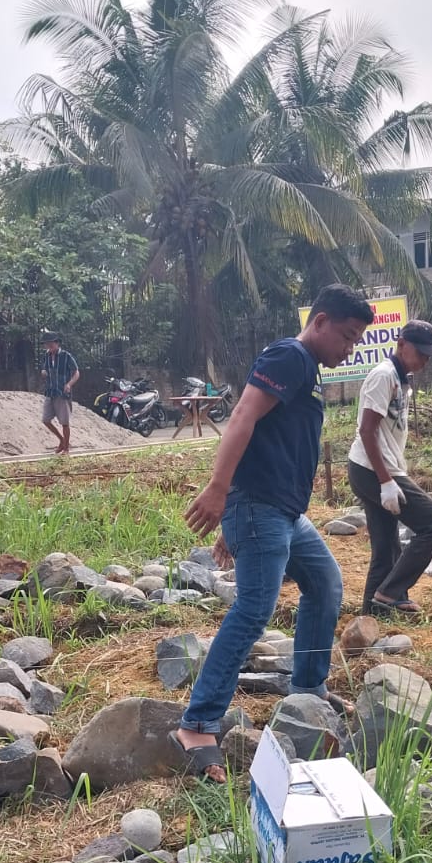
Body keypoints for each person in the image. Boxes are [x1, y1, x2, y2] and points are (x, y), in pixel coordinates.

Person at [171, 284, 376, 780]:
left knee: (325, 584)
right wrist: (222, 492)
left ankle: (308, 690)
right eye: (346, 337)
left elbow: (270, 437)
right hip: (260, 506)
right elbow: (242, 416)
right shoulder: (290, 356)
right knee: (255, 608)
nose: (349, 349)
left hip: (280, 512)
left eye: (355, 341)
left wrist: (236, 513)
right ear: (321, 321)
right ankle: (196, 724)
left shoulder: (305, 368)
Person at [346, 319, 432, 615]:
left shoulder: (401, 377)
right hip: (372, 469)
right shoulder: (383, 376)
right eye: (420, 353)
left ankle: (370, 617)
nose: (424, 361)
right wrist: (386, 481)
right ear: (401, 344)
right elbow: (367, 431)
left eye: (429, 356)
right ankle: (392, 592)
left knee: (386, 550)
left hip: (378, 469)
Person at [39, 331, 79, 455]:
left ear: (57, 343)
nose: (48, 346)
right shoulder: (46, 356)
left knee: (64, 422)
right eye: (46, 344)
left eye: (50, 344)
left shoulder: (66, 356)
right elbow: (44, 369)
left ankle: (66, 448)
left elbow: (76, 372)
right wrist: (43, 372)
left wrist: (69, 384)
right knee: (45, 420)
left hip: (62, 393)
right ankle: (61, 440)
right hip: (50, 391)